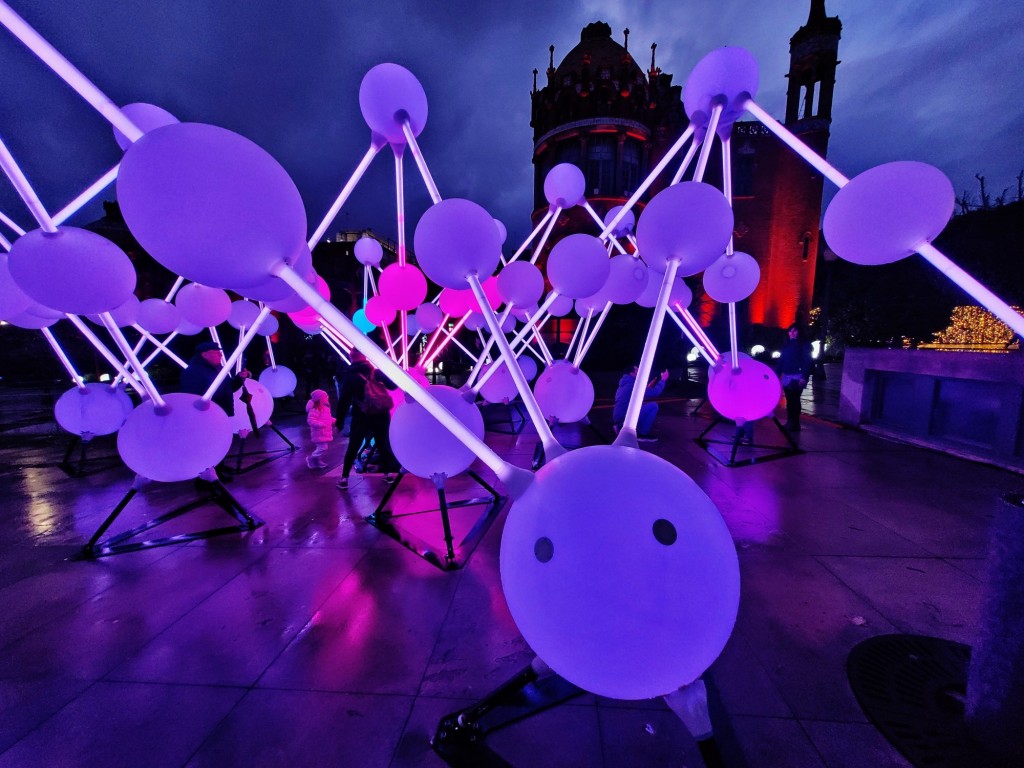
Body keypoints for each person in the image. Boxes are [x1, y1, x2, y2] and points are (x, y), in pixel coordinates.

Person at [179, 340, 250, 480]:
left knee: (219, 442)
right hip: (206, 417)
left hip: (219, 413)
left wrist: (239, 379)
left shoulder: (216, 369)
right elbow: (192, 396)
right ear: (205, 354)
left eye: (220, 353)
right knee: (208, 445)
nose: (220, 356)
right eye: (217, 353)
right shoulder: (194, 372)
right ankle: (206, 476)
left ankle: (218, 467)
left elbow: (227, 388)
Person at [336, 349, 399, 488]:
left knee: (353, 445)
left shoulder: (350, 376)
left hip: (361, 415)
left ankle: (344, 478)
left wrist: (339, 420)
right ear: (365, 356)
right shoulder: (375, 372)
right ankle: (388, 475)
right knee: (383, 443)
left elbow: (344, 400)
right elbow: (393, 386)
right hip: (381, 413)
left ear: (351, 358)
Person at [612, 365, 669, 442]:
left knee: (644, 406)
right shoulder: (633, 386)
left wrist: (647, 389)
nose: (640, 372)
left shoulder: (625, 384)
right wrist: (663, 380)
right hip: (624, 419)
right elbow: (655, 392)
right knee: (653, 406)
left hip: (620, 417)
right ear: (631, 373)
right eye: (637, 371)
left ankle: (620, 427)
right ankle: (641, 434)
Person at [778, 323, 814, 432]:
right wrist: (776, 375)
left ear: (799, 332)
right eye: (790, 331)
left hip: (797, 375)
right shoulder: (786, 345)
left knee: (795, 399)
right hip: (787, 376)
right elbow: (781, 361)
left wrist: (804, 376)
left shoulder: (804, 344)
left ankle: (795, 423)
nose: (792, 333)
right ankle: (790, 422)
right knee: (790, 400)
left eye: (794, 331)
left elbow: (807, 361)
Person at [305, 389, 335, 469]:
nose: (327, 398)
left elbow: (327, 418)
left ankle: (316, 461)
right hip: (319, 432)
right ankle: (312, 459)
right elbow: (311, 420)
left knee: (322, 447)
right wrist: (320, 424)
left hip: (323, 431)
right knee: (323, 447)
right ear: (320, 399)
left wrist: (333, 420)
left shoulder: (325, 408)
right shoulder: (315, 409)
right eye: (325, 397)